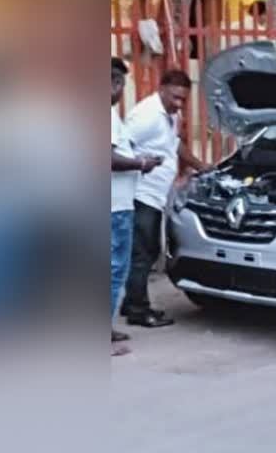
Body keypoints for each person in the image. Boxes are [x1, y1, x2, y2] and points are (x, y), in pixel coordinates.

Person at [120, 69, 209, 327]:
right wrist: (141, 164)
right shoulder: (146, 116)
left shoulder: (170, 114)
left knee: (146, 251)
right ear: (161, 89)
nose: (179, 104)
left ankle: (131, 302)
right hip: (140, 194)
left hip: (157, 194)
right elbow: (121, 147)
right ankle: (138, 309)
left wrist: (199, 165)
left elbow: (174, 144)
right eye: (174, 98)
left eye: (183, 99)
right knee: (143, 253)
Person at [111, 57, 162, 356]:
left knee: (116, 270)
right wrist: (142, 163)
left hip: (118, 204)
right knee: (112, 270)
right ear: (115, 84)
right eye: (120, 84)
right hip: (113, 208)